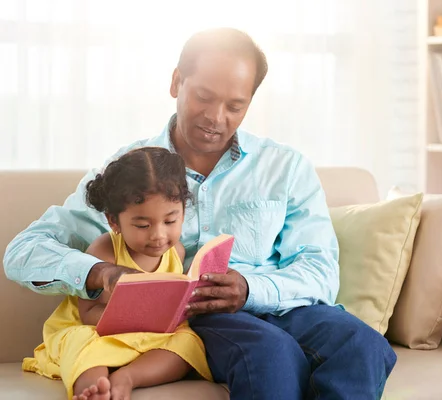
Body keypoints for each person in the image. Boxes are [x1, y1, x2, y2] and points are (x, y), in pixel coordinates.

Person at [4, 27, 396, 399]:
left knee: (364, 344)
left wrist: (249, 289)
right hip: (202, 320)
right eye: (204, 97)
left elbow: (320, 270)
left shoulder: (285, 167)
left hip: (279, 304)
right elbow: (23, 252)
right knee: (271, 354)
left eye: (235, 105)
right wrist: (98, 273)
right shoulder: (130, 174)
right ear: (177, 82)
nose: (216, 117)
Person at [22, 147, 213, 400]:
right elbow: (87, 314)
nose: (158, 235)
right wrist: (137, 316)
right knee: (84, 345)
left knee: (187, 343)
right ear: (114, 221)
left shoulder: (175, 252)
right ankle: (94, 389)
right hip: (100, 333)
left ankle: (128, 377)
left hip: (151, 337)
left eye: (170, 221)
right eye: (142, 225)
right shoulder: (105, 251)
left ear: (183, 214)